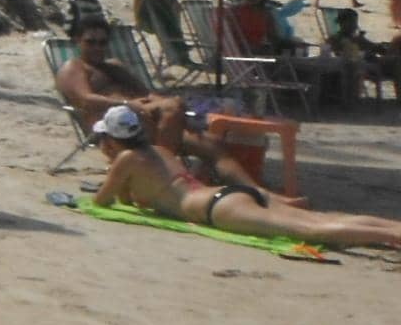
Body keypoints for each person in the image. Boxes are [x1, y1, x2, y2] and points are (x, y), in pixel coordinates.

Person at [92, 105, 401, 250]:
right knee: (320, 218)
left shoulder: (126, 159)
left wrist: (112, 172)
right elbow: (131, 196)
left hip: (216, 208)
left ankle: (391, 236)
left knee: (311, 229)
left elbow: (102, 201)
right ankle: (392, 227)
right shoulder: (159, 149)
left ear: (113, 139)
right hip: (227, 192)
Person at [52, 14, 264, 187]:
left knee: (213, 144)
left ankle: (257, 194)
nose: (98, 47)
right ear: (77, 41)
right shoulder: (74, 67)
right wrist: (131, 105)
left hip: (147, 122)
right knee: (172, 110)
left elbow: (147, 92)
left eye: (102, 42)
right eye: (91, 42)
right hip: (115, 128)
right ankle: (164, 180)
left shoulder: (114, 65)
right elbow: (86, 99)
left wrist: (171, 106)